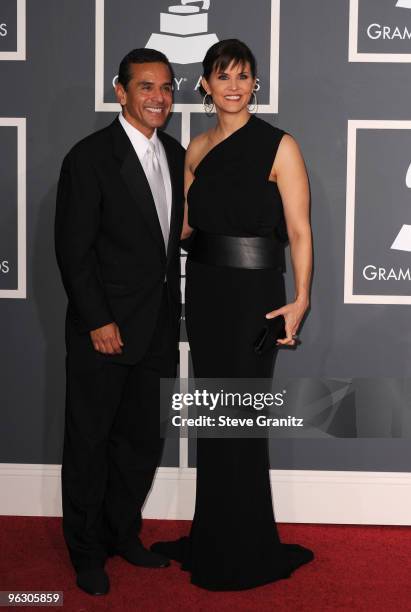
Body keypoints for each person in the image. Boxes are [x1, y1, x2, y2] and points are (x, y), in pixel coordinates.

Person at [151, 39, 314, 590]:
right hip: (207, 294)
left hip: (255, 298)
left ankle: (247, 545)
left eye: (244, 76)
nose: (235, 86)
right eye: (224, 76)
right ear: (206, 85)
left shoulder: (280, 146)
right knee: (216, 420)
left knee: (242, 420)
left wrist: (301, 299)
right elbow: (188, 228)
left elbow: (298, 231)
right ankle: (214, 535)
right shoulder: (195, 149)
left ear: (255, 83)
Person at [54, 48, 185, 595]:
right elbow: (73, 250)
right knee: (90, 441)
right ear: (121, 91)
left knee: (140, 440)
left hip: (156, 328)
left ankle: (122, 534)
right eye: (147, 87)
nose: (159, 97)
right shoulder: (89, 157)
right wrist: (97, 319)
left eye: (167, 88)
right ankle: (86, 553)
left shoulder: (176, 155)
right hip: (103, 330)